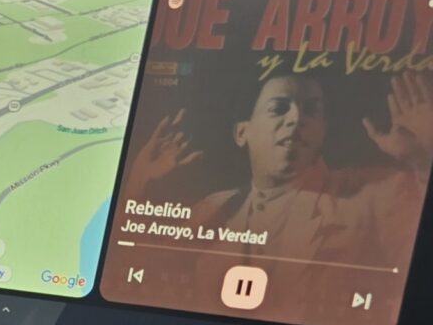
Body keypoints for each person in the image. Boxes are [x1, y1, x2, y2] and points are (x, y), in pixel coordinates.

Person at [125, 66, 433, 266]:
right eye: (279, 108)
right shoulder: (213, 208)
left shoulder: (375, 192)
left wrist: (426, 156)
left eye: (311, 110)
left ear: (323, 130)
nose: (296, 119)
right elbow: (137, 261)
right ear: (242, 132)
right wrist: (138, 181)